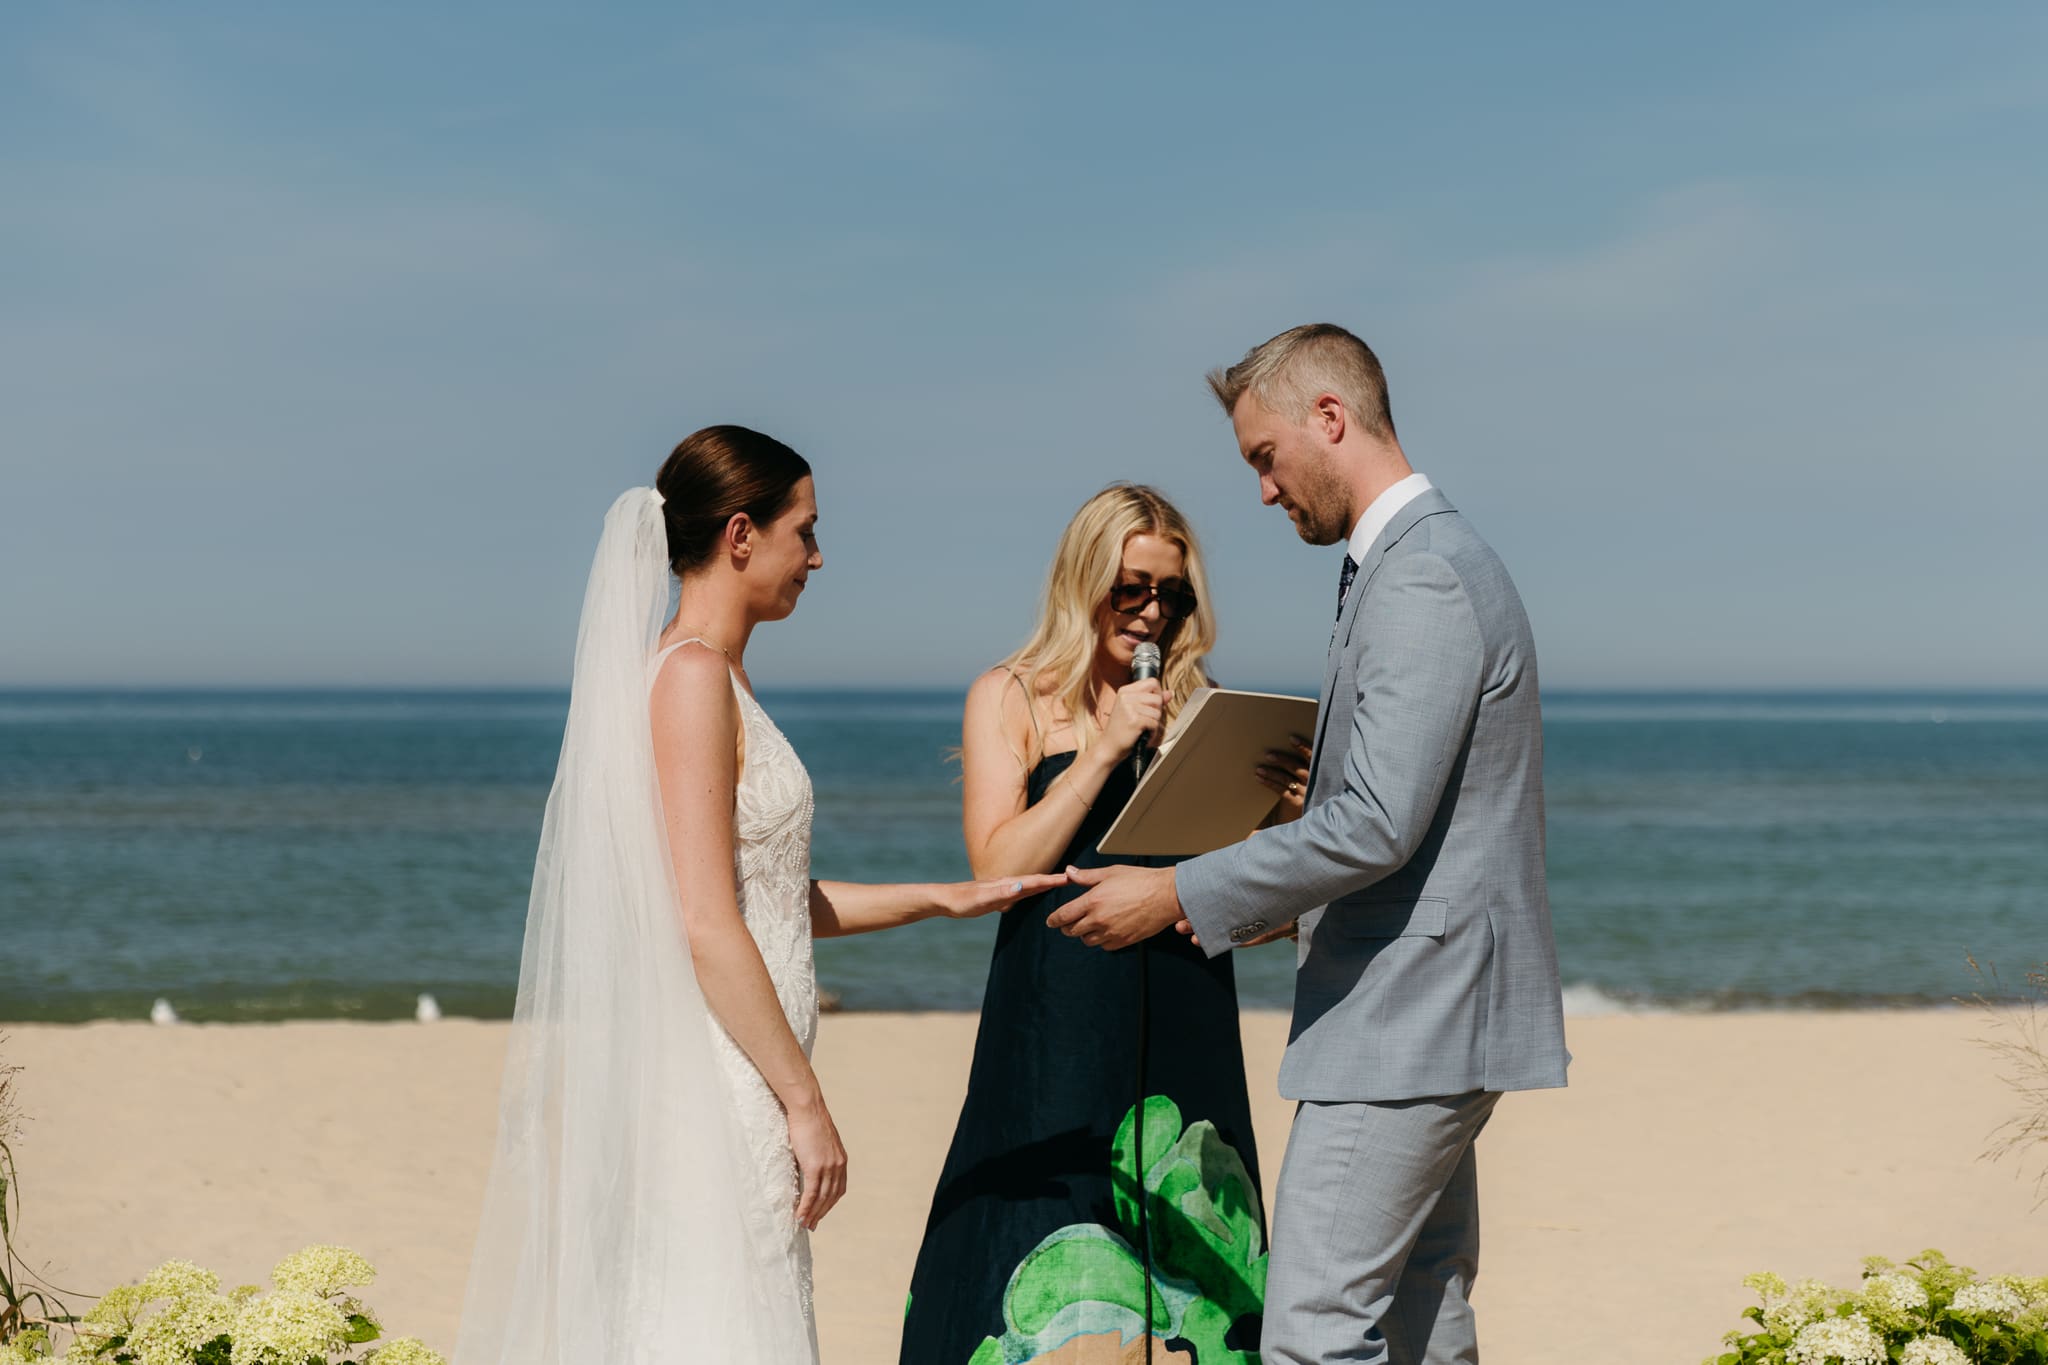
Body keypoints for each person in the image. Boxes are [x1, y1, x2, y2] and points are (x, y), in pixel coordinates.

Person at [453, 425, 1062, 1365]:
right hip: (724, 1073)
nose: (816, 557)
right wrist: (804, 1101)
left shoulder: (713, 673)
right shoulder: (692, 675)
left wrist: (938, 898)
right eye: (805, 531)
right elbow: (704, 921)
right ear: (741, 535)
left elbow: (769, 898)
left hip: (740, 1062)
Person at [1050, 327, 1570, 1365]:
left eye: (1262, 457)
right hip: (1438, 1012)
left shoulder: (1420, 574)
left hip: (1407, 1021)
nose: (1261, 491)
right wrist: (1288, 897)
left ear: (1327, 420)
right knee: (1421, 1314)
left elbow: (1378, 820)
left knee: (1311, 1332)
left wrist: (1179, 895)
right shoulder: (1410, 565)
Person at [900, 483, 1310, 1365]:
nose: (1153, 612)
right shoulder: (1011, 695)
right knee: (1040, 1226)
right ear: (1084, 580)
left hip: (1188, 1011)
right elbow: (999, 868)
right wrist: (1104, 747)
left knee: (1202, 1270)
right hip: (1058, 1018)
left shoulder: (1199, 711)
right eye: (1132, 588)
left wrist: (1286, 816)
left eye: (1173, 594)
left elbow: (1255, 897)